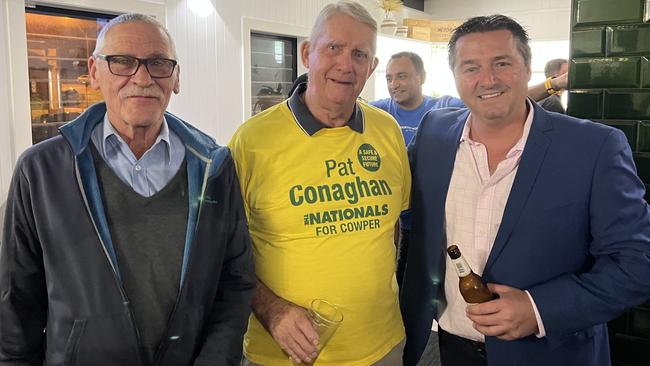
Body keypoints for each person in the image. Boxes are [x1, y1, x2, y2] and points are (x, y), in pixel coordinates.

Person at [0, 13, 255, 366]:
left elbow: (235, 282)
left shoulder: (214, 167)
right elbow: (17, 304)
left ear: (176, 77)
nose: (142, 77)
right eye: (122, 62)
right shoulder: (41, 171)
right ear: (94, 71)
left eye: (158, 63)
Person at [399, 14, 650, 366]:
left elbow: (636, 265)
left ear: (527, 67)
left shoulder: (594, 147)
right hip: (450, 349)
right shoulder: (434, 133)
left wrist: (538, 310)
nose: (487, 79)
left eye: (502, 63)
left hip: (552, 353)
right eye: (470, 67)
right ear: (454, 76)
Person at [229, 1, 410, 365]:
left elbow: (393, 229)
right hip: (284, 356)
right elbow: (223, 253)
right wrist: (273, 310)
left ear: (372, 67)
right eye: (334, 48)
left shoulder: (387, 131)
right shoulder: (251, 141)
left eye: (360, 54)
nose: (346, 64)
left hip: (382, 347)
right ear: (308, 53)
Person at [371, 52, 464, 146]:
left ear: (422, 77)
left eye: (402, 76)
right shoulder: (379, 110)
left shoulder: (444, 107)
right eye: (389, 79)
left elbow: (475, 106)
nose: (394, 85)